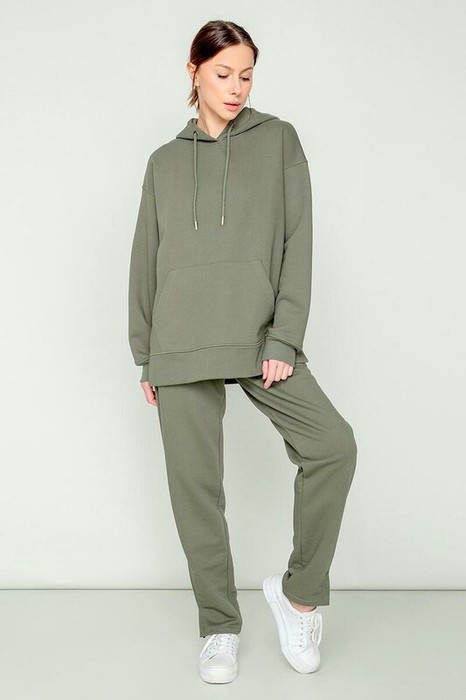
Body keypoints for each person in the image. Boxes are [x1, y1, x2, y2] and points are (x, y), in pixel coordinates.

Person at [128, 19, 357, 684]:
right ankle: (219, 627)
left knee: (332, 447)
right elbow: (146, 258)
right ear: (193, 71)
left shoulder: (279, 141)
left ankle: (299, 596)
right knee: (196, 491)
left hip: (259, 337)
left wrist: (284, 336)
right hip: (179, 341)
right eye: (223, 73)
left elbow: (297, 241)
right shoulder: (164, 163)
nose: (236, 88)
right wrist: (145, 352)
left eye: (247, 75)